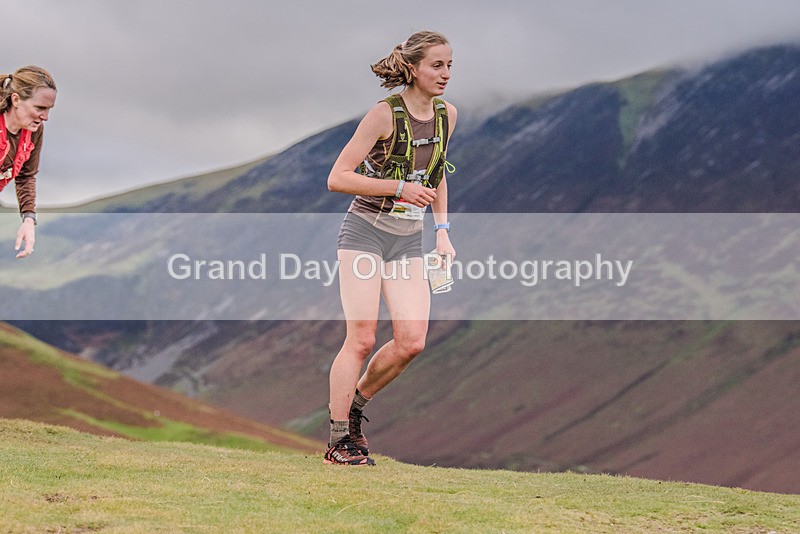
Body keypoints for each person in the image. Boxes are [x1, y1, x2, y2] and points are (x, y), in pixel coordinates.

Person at [325, 31, 457, 466]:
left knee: (411, 341)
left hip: (408, 240)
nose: (445, 74)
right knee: (361, 339)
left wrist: (443, 231)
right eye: (437, 65)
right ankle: (338, 440)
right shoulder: (383, 115)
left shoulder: (446, 116)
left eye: (450, 65)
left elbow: (436, 174)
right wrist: (398, 187)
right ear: (414, 68)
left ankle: (355, 411)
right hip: (364, 232)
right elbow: (338, 177)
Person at [0, 66, 57, 259]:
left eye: (48, 109)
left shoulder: (33, 132)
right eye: (39, 108)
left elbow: (26, 175)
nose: (45, 117)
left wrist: (28, 219)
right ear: (16, 100)